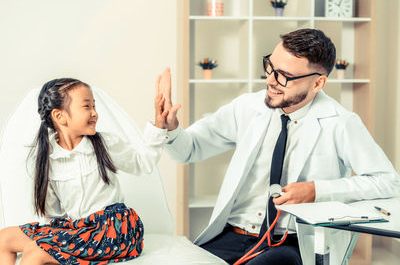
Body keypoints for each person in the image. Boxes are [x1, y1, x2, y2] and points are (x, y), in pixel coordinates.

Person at [155, 29, 400, 264]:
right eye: (270, 66)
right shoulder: (247, 108)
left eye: (284, 76)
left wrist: (317, 190)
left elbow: (388, 181)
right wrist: (171, 128)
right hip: (232, 235)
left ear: (317, 84)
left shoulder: (341, 122)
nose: (270, 80)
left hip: (290, 242)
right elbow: (189, 149)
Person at [0, 78, 170, 265]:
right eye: (87, 106)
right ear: (59, 116)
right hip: (79, 228)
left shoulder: (103, 144)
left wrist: (159, 125)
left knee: (35, 250)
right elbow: (53, 211)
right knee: (4, 238)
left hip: (112, 228)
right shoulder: (48, 157)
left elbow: (141, 162)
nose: (94, 113)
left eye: (94, 106)